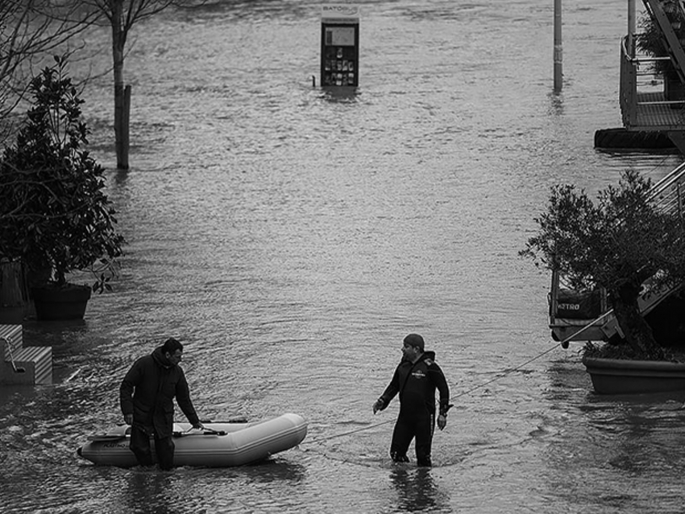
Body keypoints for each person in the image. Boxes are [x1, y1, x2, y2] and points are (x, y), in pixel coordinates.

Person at [120, 337, 204, 470]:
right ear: (167, 355)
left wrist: (194, 421)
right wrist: (128, 411)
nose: (180, 360)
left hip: (163, 416)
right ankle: (146, 473)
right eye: (177, 356)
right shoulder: (144, 364)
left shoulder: (177, 372)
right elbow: (126, 386)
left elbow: (184, 399)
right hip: (142, 414)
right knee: (140, 448)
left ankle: (164, 480)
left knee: (167, 451)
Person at [373, 333, 452, 467]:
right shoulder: (403, 366)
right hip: (405, 417)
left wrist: (442, 414)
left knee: (423, 457)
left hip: (425, 418)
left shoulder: (430, 366)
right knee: (396, 454)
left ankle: (424, 484)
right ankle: (403, 482)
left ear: (416, 349)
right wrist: (382, 400)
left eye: (406, 346)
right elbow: (394, 386)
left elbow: (444, 389)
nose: (402, 349)